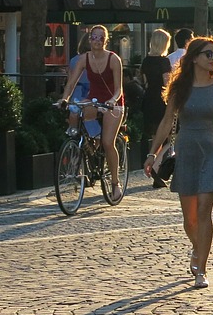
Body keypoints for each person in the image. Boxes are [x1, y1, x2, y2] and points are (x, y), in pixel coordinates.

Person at [144, 37, 213, 289]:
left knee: (203, 211)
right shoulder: (180, 88)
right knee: (189, 219)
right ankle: (197, 248)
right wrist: (152, 154)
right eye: (208, 54)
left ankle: (201, 266)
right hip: (186, 151)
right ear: (194, 58)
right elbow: (167, 122)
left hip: (212, 151)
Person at [60, 25, 126, 201]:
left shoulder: (114, 59)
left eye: (101, 38)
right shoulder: (84, 58)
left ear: (106, 41)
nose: (97, 41)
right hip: (94, 99)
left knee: (108, 142)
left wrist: (112, 101)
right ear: (89, 40)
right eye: (94, 37)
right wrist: (65, 99)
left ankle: (115, 182)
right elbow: (71, 82)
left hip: (112, 103)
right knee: (74, 110)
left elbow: (119, 88)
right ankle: (80, 143)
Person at [140, 29, 173, 188]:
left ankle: (154, 163)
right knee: (169, 135)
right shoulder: (164, 61)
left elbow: (145, 81)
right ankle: (157, 166)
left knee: (155, 136)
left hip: (149, 98)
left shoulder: (146, 61)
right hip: (161, 98)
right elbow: (166, 82)